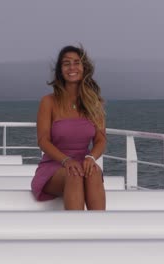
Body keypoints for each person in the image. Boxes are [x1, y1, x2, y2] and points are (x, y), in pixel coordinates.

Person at [31, 45, 107, 210]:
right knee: (74, 173)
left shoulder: (94, 103)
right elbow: (43, 140)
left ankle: (100, 230)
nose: (72, 67)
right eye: (66, 63)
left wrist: (91, 157)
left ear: (83, 67)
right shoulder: (48, 102)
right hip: (54, 166)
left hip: (83, 163)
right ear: (60, 70)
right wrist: (66, 160)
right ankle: (76, 233)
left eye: (76, 62)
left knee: (93, 172)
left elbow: (101, 139)